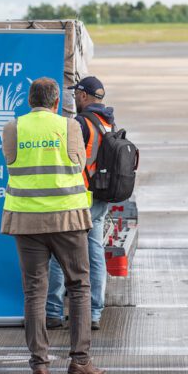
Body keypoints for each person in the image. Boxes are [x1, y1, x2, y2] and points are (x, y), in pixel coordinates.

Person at [1, 77, 106, 374]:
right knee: (79, 287)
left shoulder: (12, 128)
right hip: (66, 218)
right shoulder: (69, 126)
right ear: (56, 101)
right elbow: (78, 163)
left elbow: (11, 161)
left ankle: (39, 366)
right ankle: (80, 362)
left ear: (30, 101)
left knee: (34, 291)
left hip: (25, 218)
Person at [46, 76, 114, 332]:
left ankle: (53, 311)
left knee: (58, 253)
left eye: (77, 94)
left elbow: (69, 160)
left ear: (84, 96)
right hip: (100, 198)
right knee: (95, 254)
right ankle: (94, 312)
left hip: (79, 197)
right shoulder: (108, 121)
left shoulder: (79, 123)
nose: (74, 97)